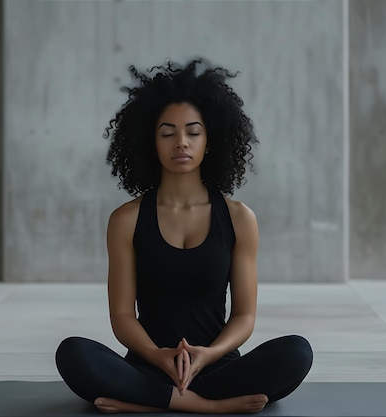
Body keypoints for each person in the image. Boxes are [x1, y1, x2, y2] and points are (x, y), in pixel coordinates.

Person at [55, 58, 313, 414]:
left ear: (210, 141)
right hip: (148, 366)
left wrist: (207, 356)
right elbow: (122, 317)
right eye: (167, 133)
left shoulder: (239, 218)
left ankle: (150, 402)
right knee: (73, 353)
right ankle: (205, 406)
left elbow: (243, 317)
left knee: (296, 352)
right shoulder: (126, 220)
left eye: (193, 132)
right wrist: (160, 357)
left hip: (216, 366)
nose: (181, 142)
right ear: (151, 141)